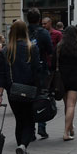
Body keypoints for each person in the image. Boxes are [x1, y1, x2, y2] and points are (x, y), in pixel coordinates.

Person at [0, 19, 45, 154]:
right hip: (29, 90)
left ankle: (22, 150)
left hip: (13, 91)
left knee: (19, 121)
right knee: (29, 121)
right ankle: (23, 146)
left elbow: (2, 74)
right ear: (25, 31)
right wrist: (40, 90)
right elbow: (37, 71)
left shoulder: (5, 51)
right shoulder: (32, 48)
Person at [57, 26, 77, 140]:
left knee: (67, 104)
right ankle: (66, 132)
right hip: (74, 77)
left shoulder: (59, 47)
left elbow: (54, 61)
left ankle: (70, 128)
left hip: (62, 77)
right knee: (71, 105)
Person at [27, 8, 54, 140]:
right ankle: (41, 127)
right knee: (41, 97)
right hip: (41, 69)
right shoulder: (43, 32)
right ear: (39, 19)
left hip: (26, 70)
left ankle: (30, 131)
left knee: (28, 99)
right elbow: (50, 51)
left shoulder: (24, 32)